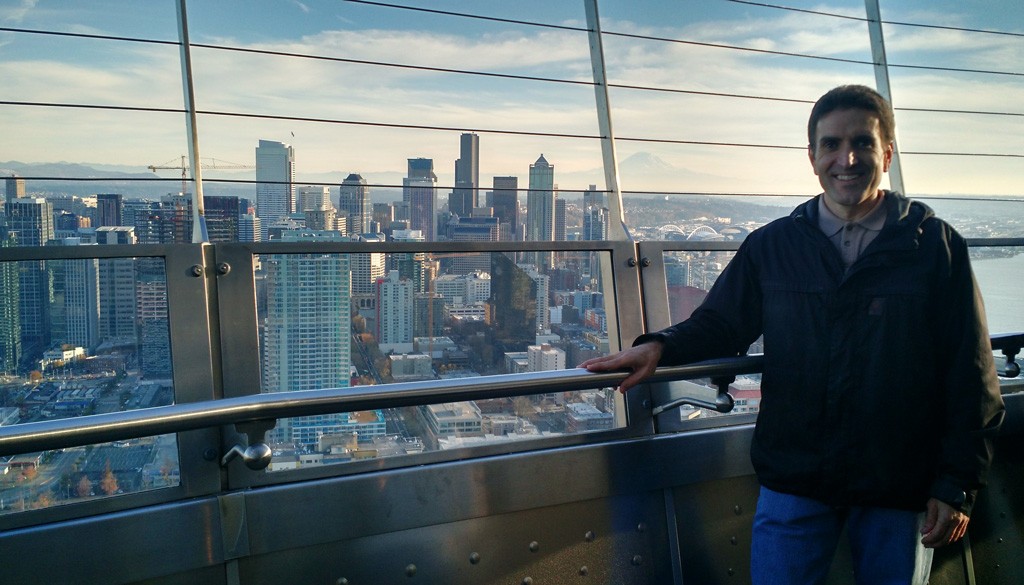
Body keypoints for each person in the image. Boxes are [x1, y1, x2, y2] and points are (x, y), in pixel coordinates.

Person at [580, 85, 1005, 585]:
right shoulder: (774, 245)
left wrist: (956, 485)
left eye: (863, 144)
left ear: (886, 153)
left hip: (899, 485)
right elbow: (721, 323)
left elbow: (970, 373)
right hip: (796, 478)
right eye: (831, 145)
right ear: (812, 157)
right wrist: (660, 345)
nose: (846, 159)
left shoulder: (934, 248)